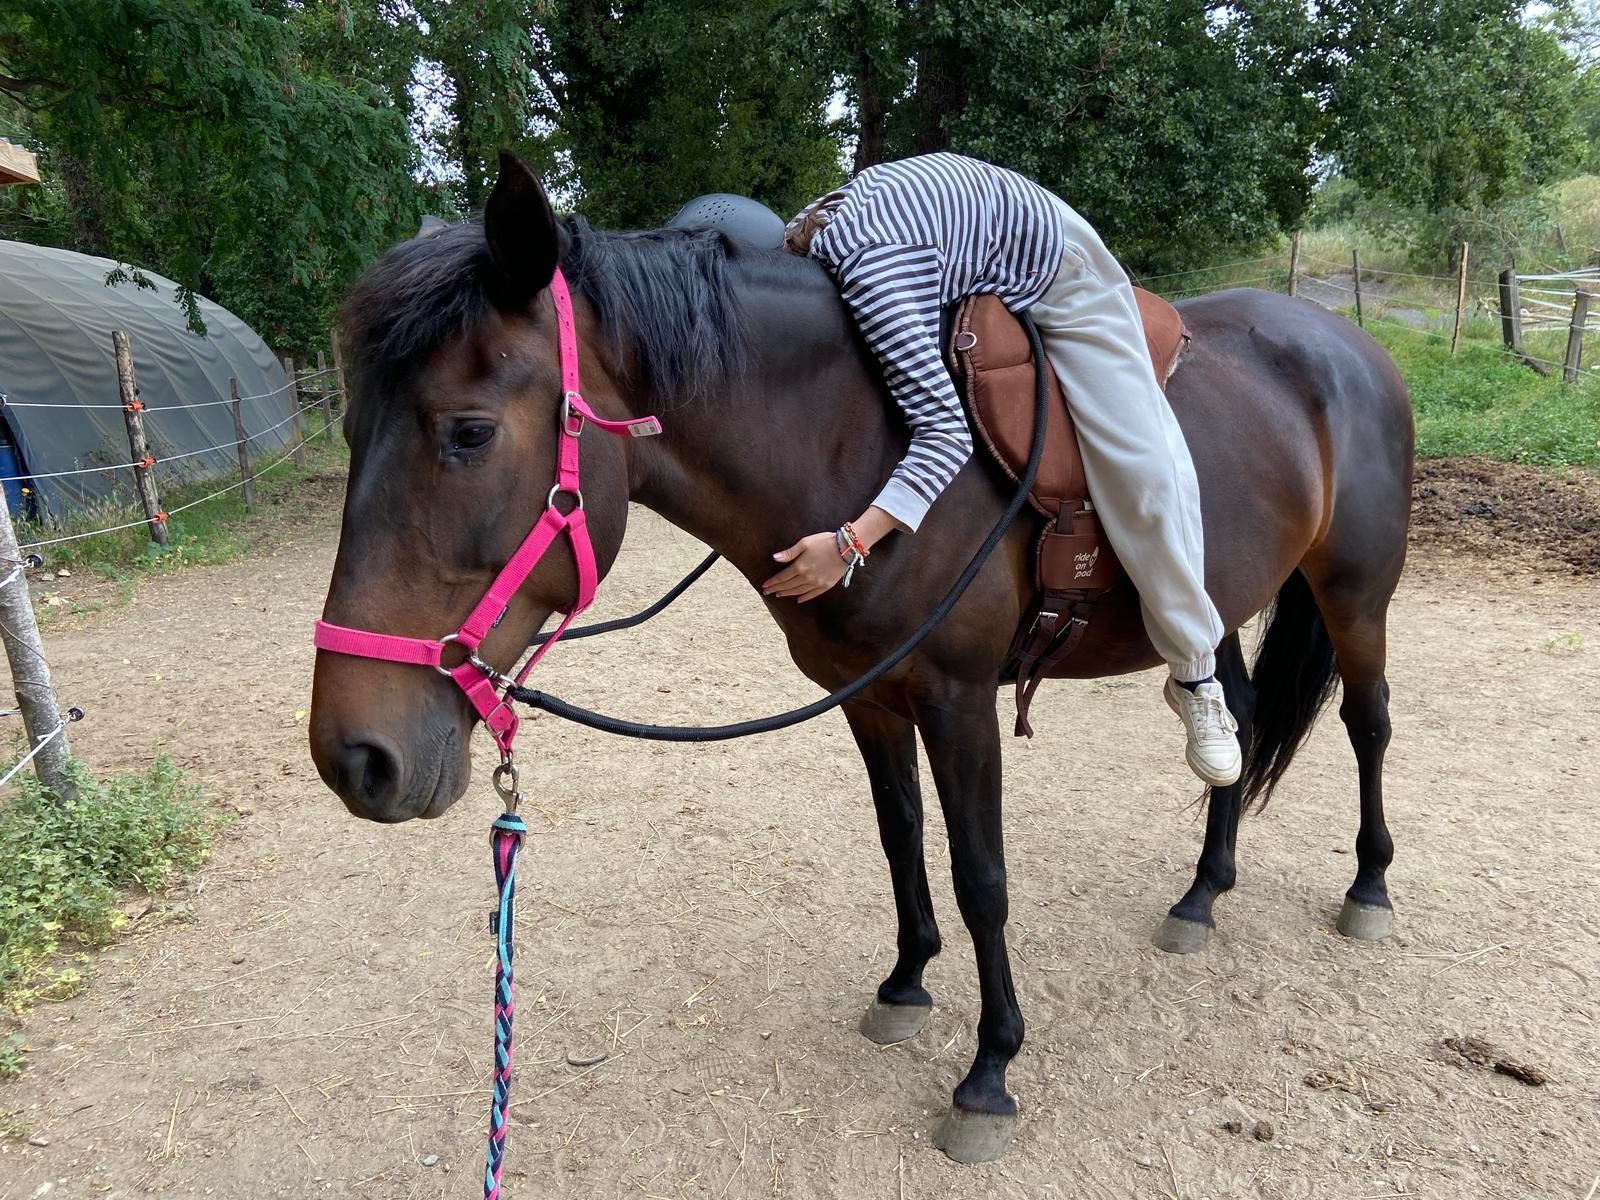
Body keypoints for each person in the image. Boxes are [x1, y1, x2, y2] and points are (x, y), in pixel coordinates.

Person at [762, 152, 1240, 787]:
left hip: (1059, 268)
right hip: (974, 234)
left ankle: (1195, 670)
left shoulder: (873, 276)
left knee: (1145, 470)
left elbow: (943, 434)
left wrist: (850, 545)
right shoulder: (807, 232)